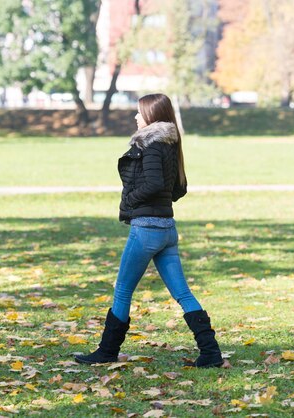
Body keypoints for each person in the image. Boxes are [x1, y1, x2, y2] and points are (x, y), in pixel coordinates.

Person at [75, 93, 223, 368]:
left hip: (146, 229)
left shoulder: (151, 145)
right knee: (183, 294)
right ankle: (211, 353)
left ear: (151, 117)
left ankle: (107, 350)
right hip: (167, 228)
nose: (135, 117)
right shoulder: (170, 144)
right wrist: (159, 201)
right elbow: (178, 188)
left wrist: (132, 201)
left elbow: (154, 184)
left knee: (122, 290)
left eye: (139, 113)